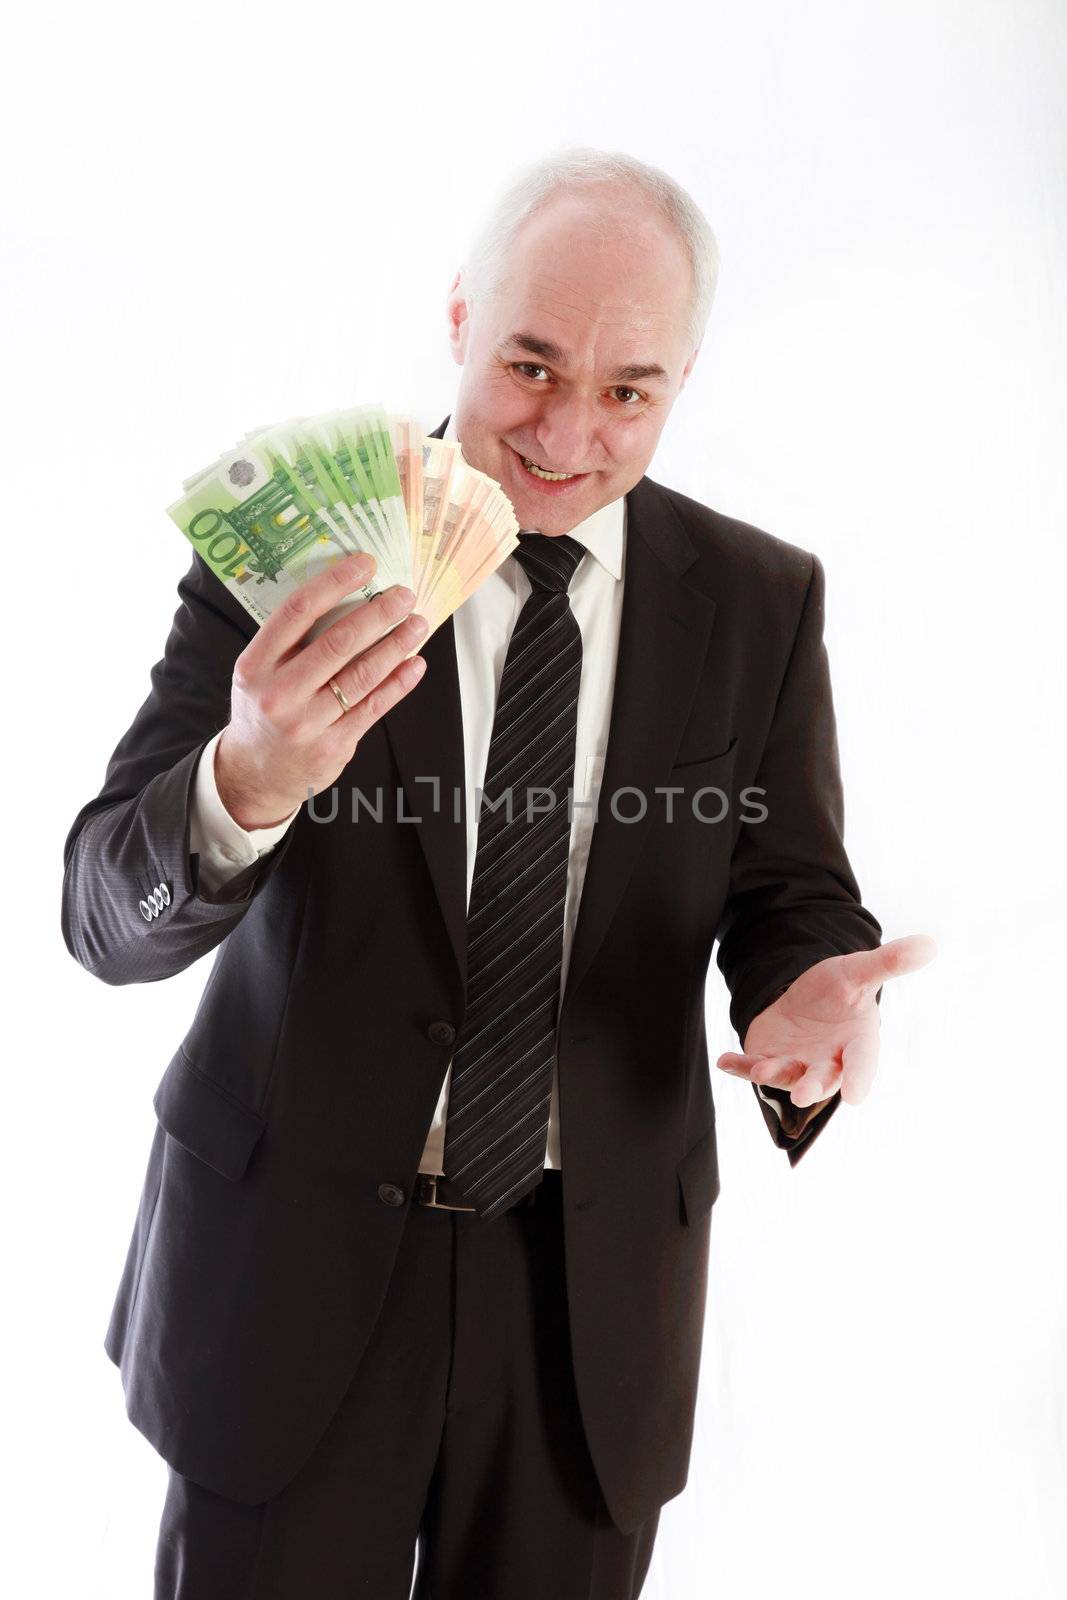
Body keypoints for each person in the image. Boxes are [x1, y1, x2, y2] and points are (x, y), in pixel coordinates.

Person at [62, 146, 934, 1599]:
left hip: (585, 1307)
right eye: (531, 363)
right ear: (460, 317)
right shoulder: (296, 557)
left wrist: (805, 1014)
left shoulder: (761, 602)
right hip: (292, 1278)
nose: (567, 432)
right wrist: (245, 785)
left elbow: (795, 897)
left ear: (684, 378)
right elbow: (104, 912)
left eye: (628, 390)